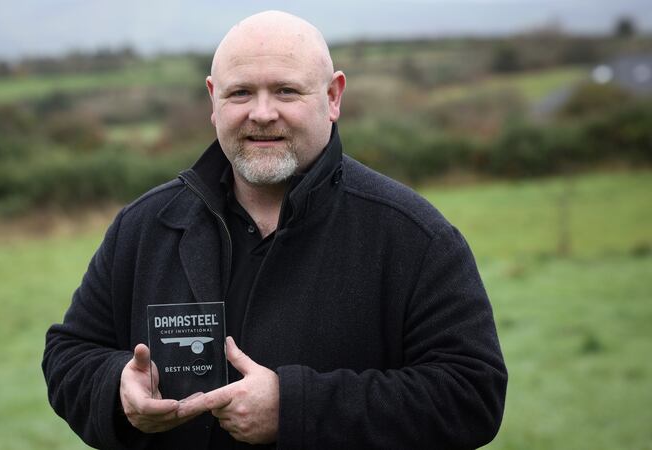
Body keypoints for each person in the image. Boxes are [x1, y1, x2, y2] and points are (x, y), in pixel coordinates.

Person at [43, 10, 507, 450]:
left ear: (333, 97)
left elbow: (472, 395)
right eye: (240, 93)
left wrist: (295, 408)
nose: (261, 113)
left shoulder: (413, 236)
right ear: (213, 99)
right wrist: (117, 387)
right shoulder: (144, 227)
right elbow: (69, 354)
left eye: (286, 91)